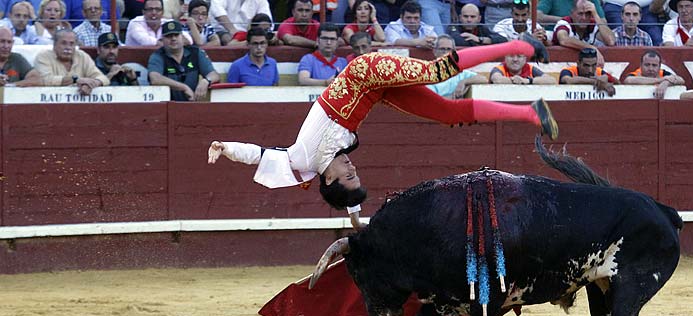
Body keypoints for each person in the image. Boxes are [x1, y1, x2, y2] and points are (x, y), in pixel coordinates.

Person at [206, 40, 558, 221]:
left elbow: (259, 156)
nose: (353, 170)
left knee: (437, 72)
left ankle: (518, 47)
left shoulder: (301, 160)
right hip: (377, 92)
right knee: (447, 114)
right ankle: (530, 114)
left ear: (330, 182)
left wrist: (225, 147)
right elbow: (348, 202)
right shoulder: (328, 170)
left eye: (349, 177)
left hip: (364, 74)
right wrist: (358, 223)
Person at [147, 21, 220, 101]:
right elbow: (155, 79)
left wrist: (206, 81)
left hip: (193, 104)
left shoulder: (195, 52)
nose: (173, 39)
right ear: (162, 40)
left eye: (176, 35)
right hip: (166, 105)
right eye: (169, 36)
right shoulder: (158, 56)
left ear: (182, 37)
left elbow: (214, 74)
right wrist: (183, 87)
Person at [34, 29, 109, 94]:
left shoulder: (82, 56)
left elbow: (103, 78)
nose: (68, 48)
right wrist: (76, 80)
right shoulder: (43, 56)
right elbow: (45, 80)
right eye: (63, 43)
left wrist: (91, 84)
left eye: (72, 44)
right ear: (54, 45)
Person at [126, 0, 192, 46]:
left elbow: (189, 40)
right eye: (150, 9)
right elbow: (146, 41)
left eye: (157, 9)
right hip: (135, 63)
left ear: (162, 12)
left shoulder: (168, 22)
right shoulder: (135, 22)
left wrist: (165, 43)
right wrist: (174, 43)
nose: (154, 13)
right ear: (143, 12)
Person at [489, 52, 556, 84]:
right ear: (505, 58)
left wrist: (528, 81)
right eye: (511, 56)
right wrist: (515, 80)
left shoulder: (530, 68)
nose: (515, 59)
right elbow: (496, 79)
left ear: (525, 59)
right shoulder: (500, 68)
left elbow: (552, 80)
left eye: (519, 56)